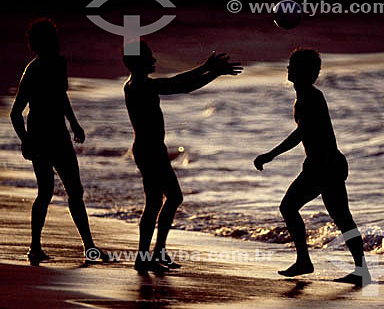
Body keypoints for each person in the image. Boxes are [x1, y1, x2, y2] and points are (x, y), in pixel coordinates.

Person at [122, 41, 242, 274]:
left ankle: (151, 253)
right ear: (136, 62)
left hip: (151, 149)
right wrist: (212, 72)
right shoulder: (139, 86)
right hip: (149, 150)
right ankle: (148, 254)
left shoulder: (137, 84)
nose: (154, 60)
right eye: (149, 57)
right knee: (166, 199)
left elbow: (177, 82)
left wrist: (207, 68)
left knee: (162, 201)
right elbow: (179, 85)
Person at [254, 48, 370, 287]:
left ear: (306, 73)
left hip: (323, 166)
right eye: (289, 65)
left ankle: (306, 261)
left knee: (289, 207)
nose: (288, 69)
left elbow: (301, 134)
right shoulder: (306, 95)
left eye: (293, 66)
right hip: (326, 164)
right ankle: (360, 270)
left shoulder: (309, 96)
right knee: (341, 217)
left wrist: (270, 155)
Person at [10, 18, 107, 265]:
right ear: (39, 44)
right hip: (41, 137)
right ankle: (35, 247)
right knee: (46, 192)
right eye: (51, 39)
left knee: (74, 190)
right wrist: (26, 141)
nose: (56, 43)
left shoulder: (58, 63)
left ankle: (89, 246)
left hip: (60, 135)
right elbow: (15, 111)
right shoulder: (31, 71)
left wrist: (74, 124)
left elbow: (61, 96)